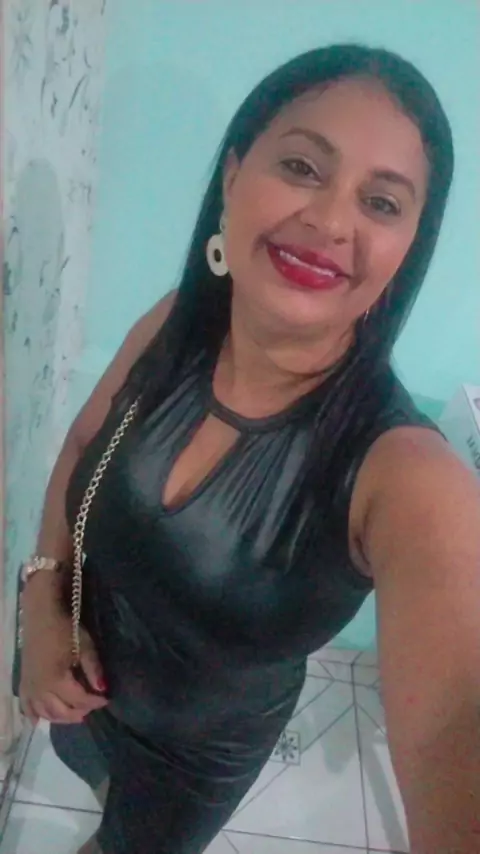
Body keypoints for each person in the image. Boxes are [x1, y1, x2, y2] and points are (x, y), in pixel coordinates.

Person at [19, 43, 480, 854]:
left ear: (408, 248)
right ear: (233, 176)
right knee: (91, 785)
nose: (330, 222)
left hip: (193, 765)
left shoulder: (405, 475)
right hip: (79, 695)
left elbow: (456, 722)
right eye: (302, 166)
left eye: (381, 203)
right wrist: (43, 600)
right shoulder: (175, 323)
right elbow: (85, 441)